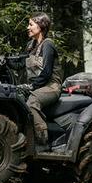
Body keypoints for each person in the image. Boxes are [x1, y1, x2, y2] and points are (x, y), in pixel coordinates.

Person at [21, 12, 63, 146]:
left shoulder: (48, 45)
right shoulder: (31, 46)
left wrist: (32, 87)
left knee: (31, 103)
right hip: (39, 86)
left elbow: (46, 72)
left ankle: (42, 140)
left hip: (51, 86)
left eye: (31, 24)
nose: (28, 27)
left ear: (40, 26)